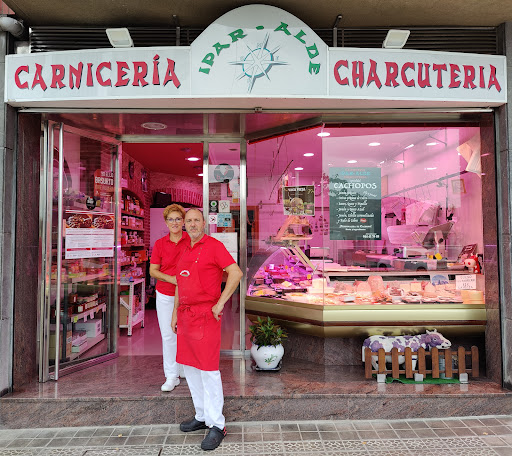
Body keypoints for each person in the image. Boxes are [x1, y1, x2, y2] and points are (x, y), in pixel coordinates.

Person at [172, 208, 243, 451]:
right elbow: (180, 283)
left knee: (209, 370)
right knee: (190, 368)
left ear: (204, 223)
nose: (192, 224)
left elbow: (236, 273)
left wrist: (221, 302)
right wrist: (174, 314)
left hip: (206, 315)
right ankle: (202, 416)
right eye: (188, 221)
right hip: (186, 315)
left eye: (196, 220)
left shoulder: (214, 246)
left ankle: (217, 424)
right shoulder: (183, 248)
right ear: (184, 224)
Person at [149, 204, 189, 392]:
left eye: (178, 219)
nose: (174, 222)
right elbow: (153, 271)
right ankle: (171, 376)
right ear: (166, 222)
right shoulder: (160, 244)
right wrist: (172, 279)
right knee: (169, 335)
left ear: (183, 221)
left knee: (187, 334)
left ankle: (185, 370)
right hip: (165, 294)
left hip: (189, 294)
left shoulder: (191, 241)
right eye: (171, 219)